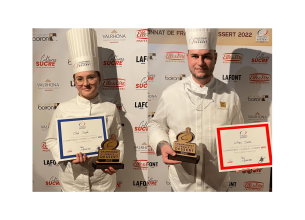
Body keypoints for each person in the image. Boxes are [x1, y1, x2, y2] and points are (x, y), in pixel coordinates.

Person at [148, 28, 254, 192]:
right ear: (187, 57)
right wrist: (162, 144)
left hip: (217, 187)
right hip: (182, 187)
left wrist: (245, 158)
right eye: (195, 56)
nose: (200, 62)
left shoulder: (230, 96)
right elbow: (156, 125)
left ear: (216, 57)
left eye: (207, 56)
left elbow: (238, 134)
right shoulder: (171, 93)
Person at [45, 28, 124, 192]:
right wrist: (66, 154)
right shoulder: (63, 109)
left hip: (102, 182)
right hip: (72, 183)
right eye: (79, 78)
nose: (85, 83)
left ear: (99, 78)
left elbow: (119, 141)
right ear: (74, 81)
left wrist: (114, 162)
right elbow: (51, 140)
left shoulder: (110, 108)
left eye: (91, 77)